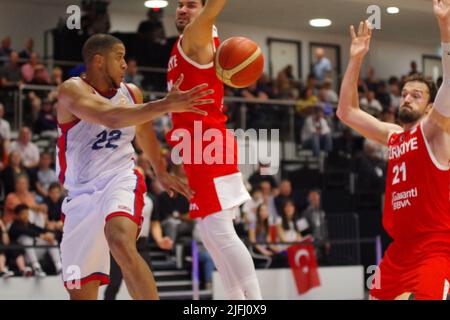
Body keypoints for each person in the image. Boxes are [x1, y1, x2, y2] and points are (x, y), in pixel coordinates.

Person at [56, 33, 212, 300]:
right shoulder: (71, 90)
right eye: (119, 57)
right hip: (80, 193)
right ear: (98, 61)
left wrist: (160, 172)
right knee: (81, 291)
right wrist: (165, 105)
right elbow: (111, 117)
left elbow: (144, 135)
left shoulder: (132, 93)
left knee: (121, 242)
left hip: (120, 179)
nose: (125, 64)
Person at [336, 6, 450, 299]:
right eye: (404, 94)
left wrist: (445, 25)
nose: (407, 97)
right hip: (399, 249)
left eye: (416, 95)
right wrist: (356, 59)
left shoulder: (436, 132)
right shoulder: (394, 136)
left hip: (434, 247)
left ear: (429, 106)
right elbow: (346, 111)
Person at [166, 0, 261, 299]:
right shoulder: (186, 41)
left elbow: (213, 8)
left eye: (191, 5)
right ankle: (236, 303)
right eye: (179, 4)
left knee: (219, 231)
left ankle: (256, 303)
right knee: (209, 235)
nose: (182, 9)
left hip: (209, 144)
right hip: (195, 148)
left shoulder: (197, 33)